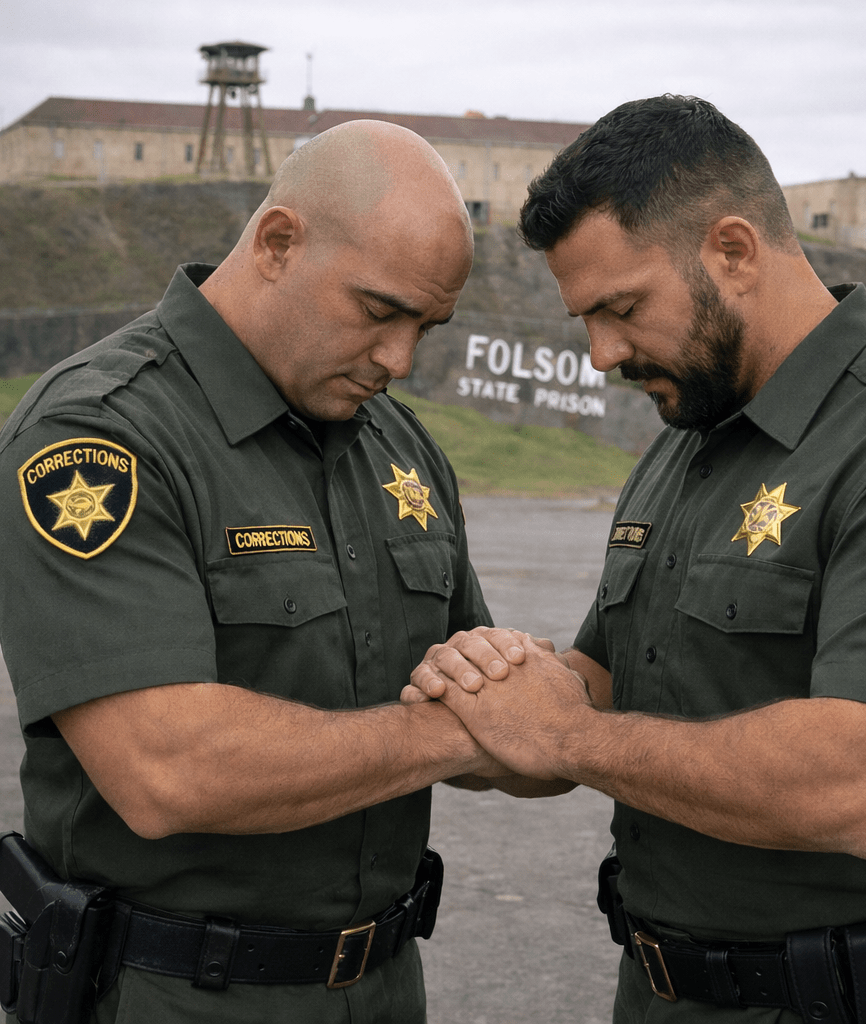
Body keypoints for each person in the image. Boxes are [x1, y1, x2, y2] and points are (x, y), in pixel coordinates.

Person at [405, 95, 866, 1024]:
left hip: (852, 1002)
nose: (601, 353)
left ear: (733, 251)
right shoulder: (686, 440)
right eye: (585, 318)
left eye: (621, 308)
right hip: (661, 995)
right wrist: (479, 699)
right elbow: (600, 686)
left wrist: (563, 735)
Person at [0, 120, 527, 1024]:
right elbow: (166, 770)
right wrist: (459, 735)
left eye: (426, 327)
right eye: (379, 311)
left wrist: (541, 719)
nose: (400, 360)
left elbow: (492, 702)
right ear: (279, 243)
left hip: (384, 987)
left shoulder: (398, 446)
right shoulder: (98, 435)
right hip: (174, 995)